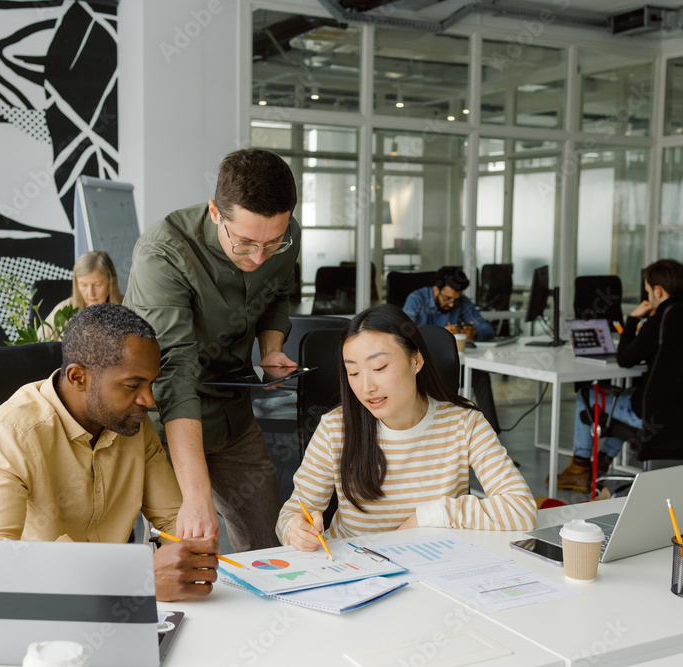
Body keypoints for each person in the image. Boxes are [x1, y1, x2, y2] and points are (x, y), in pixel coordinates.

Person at [0, 303, 219, 601]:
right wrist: (133, 579)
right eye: (132, 385)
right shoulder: (12, 432)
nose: (148, 400)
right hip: (44, 610)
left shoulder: (131, 424)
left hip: (115, 612)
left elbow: (176, 523)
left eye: (151, 383)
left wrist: (192, 549)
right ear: (78, 377)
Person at [123, 148, 301, 552]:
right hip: (170, 427)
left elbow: (278, 292)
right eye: (245, 243)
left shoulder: (283, 235)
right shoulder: (163, 254)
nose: (259, 256)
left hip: (233, 415)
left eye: (272, 243)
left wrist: (271, 349)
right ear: (215, 212)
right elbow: (174, 374)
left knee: (270, 548)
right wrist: (197, 496)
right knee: (183, 561)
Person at [277, 305, 536, 550]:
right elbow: (291, 515)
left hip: (432, 565)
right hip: (356, 570)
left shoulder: (464, 422)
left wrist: (431, 515)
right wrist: (295, 530)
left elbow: (521, 510)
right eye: (353, 373)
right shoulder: (336, 428)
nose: (366, 387)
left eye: (379, 367)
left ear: (416, 361)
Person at [555, 259, 683, 493]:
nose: (648, 295)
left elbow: (625, 359)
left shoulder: (659, 322)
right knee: (623, 398)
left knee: (587, 394)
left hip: (650, 412)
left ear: (658, 291)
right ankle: (602, 463)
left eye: (648, 291)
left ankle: (579, 470)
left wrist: (633, 319)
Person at [402, 266, 501, 432]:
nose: (451, 304)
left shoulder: (460, 302)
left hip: (453, 358)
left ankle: (491, 433)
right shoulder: (416, 299)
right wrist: (440, 335)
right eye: (447, 298)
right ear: (436, 289)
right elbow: (404, 334)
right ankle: (445, 432)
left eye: (455, 300)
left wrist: (474, 332)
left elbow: (487, 328)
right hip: (423, 361)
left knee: (480, 374)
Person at [39, 250, 123, 340]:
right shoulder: (64, 309)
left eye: (97, 285)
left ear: (111, 282)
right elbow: (37, 344)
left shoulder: (127, 308)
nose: (90, 293)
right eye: (84, 285)